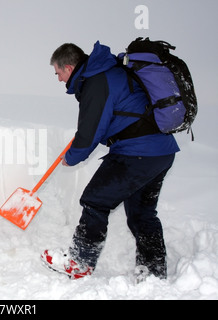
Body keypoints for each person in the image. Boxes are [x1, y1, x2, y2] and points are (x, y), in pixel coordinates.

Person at [41, 41, 179, 280]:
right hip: (160, 151)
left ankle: (80, 261)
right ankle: (153, 272)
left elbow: (90, 131)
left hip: (136, 152)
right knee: (142, 214)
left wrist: (72, 156)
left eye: (58, 72)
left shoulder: (97, 81)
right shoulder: (108, 72)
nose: (59, 79)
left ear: (69, 67)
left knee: (95, 201)